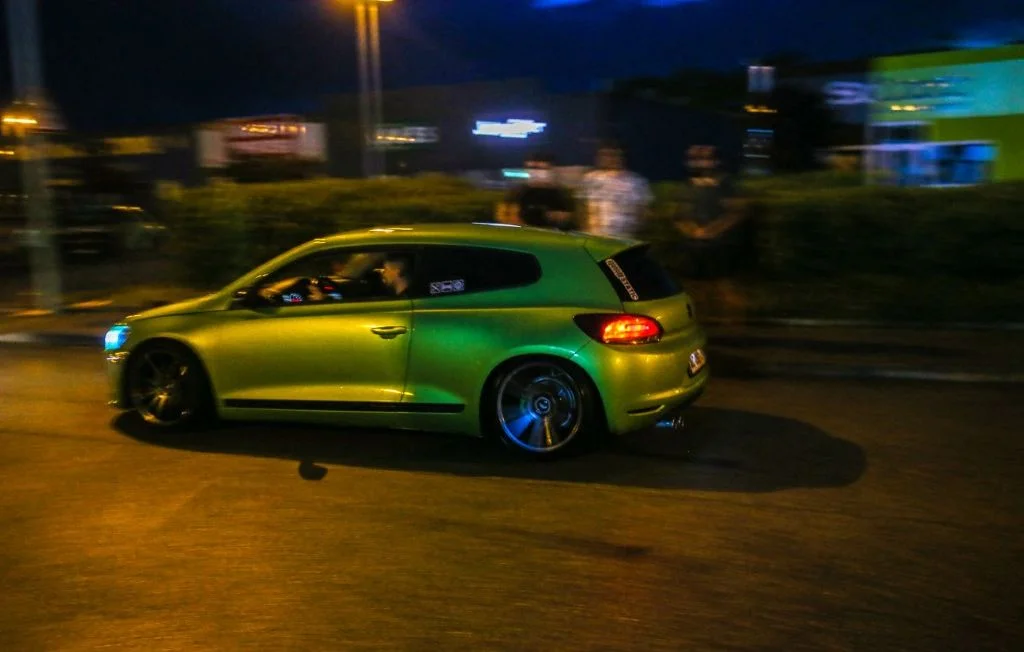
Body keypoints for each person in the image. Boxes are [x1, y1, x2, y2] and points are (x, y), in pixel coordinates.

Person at [579, 144, 653, 239]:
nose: (610, 158)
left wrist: (635, 230)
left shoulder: (636, 182)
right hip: (595, 236)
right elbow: (581, 208)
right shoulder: (590, 179)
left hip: (625, 238)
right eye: (605, 155)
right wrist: (585, 230)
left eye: (614, 155)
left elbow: (643, 210)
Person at [495, 153, 575, 230]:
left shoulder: (560, 195)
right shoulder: (517, 193)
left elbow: (567, 221)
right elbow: (504, 217)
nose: (535, 172)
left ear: (551, 169)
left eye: (540, 168)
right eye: (531, 168)